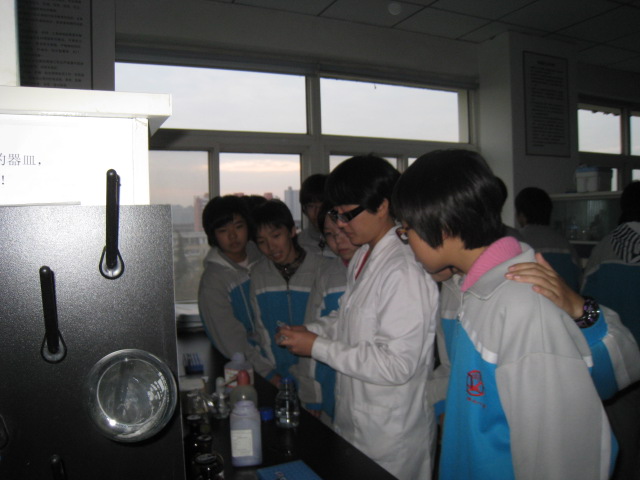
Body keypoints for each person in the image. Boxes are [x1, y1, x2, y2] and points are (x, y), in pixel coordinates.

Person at [393, 149, 616, 480]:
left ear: (442, 226)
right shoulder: (474, 291)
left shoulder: (521, 304)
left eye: (406, 230)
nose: (406, 241)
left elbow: (560, 457)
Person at [278, 155, 438, 480]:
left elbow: (396, 365)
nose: (340, 224)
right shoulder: (365, 254)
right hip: (357, 421)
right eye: (336, 214)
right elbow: (350, 316)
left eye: (347, 214)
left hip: (391, 436)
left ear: (382, 206)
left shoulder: (402, 270)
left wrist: (318, 347)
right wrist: (312, 330)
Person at [197, 195, 277, 382]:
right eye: (223, 230)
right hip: (247, 372)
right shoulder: (213, 282)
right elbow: (232, 341)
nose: (233, 236)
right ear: (212, 235)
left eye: (239, 227)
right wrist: (269, 373)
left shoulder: (265, 257)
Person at [250, 199, 329, 384]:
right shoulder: (258, 274)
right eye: (262, 242)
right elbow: (261, 330)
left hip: (319, 376)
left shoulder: (322, 269)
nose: (271, 247)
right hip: (278, 378)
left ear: (292, 231)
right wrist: (271, 373)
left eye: (276, 236)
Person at [294, 202, 360, 423]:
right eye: (330, 234)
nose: (338, 240)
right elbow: (312, 327)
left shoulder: (379, 271)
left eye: (343, 231)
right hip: (331, 383)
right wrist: (312, 394)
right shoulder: (327, 274)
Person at [515, 186, 581, 290]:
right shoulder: (564, 243)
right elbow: (578, 280)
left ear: (521, 215)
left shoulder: (516, 241)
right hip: (564, 298)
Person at [297, 173, 330, 257]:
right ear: (304, 209)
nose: (317, 212)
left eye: (322, 206)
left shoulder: (347, 242)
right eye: (311, 206)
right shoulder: (298, 244)